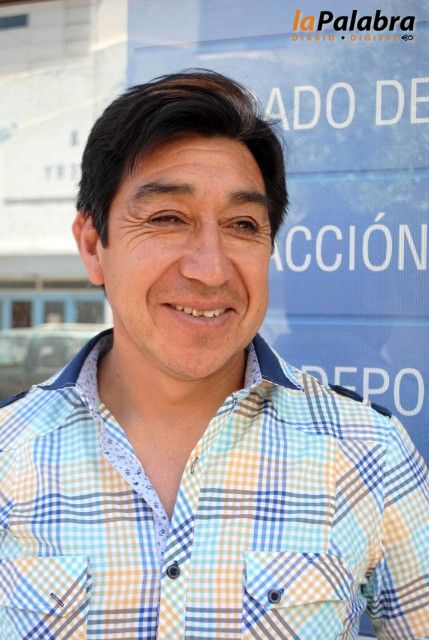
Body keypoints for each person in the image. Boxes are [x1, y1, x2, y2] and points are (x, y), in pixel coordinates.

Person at [0, 70, 427, 640]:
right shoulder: (8, 455)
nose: (210, 269)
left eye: (242, 225)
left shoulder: (368, 451)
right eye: (167, 218)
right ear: (94, 245)